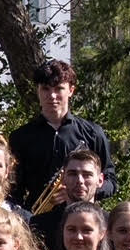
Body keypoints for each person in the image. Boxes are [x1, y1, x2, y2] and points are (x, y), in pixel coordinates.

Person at [8, 58, 114, 211]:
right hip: (36, 219)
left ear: (71, 90)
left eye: (59, 88)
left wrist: (82, 191)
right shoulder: (20, 137)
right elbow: (14, 189)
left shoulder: (93, 133)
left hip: (83, 216)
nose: (52, 95)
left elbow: (111, 181)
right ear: (38, 91)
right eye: (45, 89)